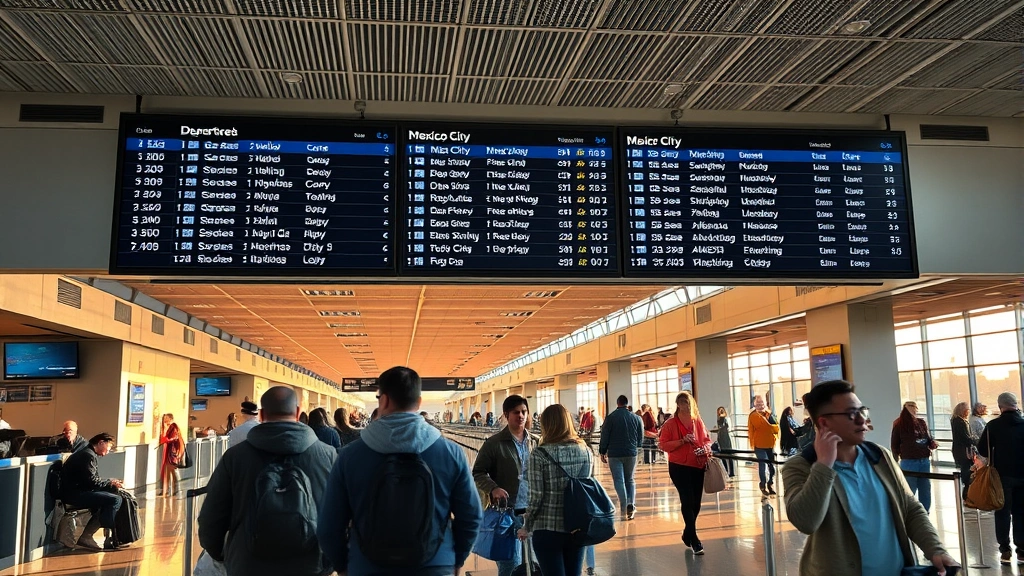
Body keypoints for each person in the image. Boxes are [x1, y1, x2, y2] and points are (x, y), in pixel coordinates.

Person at [782, 380, 958, 576]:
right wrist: (823, 465)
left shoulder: (879, 456)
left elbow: (910, 509)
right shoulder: (800, 466)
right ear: (824, 422)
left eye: (862, 411)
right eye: (851, 414)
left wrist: (935, 549)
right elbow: (805, 521)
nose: (862, 420)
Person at [318, 366, 481, 576]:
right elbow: (471, 516)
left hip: (367, 566)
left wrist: (342, 566)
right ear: (419, 402)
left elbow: (328, 526)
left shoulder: (349, 456)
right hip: (435, 565)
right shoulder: (450, 453)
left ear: (383, 400)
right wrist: (455, 560)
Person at [198, 386, 337, 576]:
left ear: (262, 415)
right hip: (311, 564)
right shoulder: (327, 455)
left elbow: (211, 517)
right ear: (297, 413)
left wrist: (223, 554)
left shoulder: (235, 457)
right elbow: (340, 515)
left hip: (248, 564)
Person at [518, 404, 593, 576]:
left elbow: (536, 497)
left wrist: (526, 527)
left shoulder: (539, 454)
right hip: (577, 526)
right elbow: (587, 489)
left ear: (546, 425)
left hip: (547, 528)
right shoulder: (585, 451)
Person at [473, 394, 536, 576]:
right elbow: (478, 472)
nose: (521, 416)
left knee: (534, 562)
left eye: (524, 412)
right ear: (506, 415)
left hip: (532, 509)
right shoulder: (494, 444)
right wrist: (493, 488)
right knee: (509, 564)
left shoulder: (536, 442)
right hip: (508, 511)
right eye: (516, 412)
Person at [659, 391, 712, 555]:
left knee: (696, 503)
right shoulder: (670, 424)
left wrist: (706, 448)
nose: (685, 405)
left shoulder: (697, 422)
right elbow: (663, 444)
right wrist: (681, 441)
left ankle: (687, 532)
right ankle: (694, 538)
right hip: (679, 466)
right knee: (687, 499)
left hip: (697, 465)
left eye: (688, 402)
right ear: (678, 404)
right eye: (682, 402)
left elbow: (707, 440)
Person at [976, 392, 1024, 564]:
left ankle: (1005, 550)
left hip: (1001, 477)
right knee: (1021, 512)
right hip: (1023, 475)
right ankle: (1022, 550)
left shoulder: (993, 426)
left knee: (1002, 512)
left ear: (1000, 406)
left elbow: (982, 450)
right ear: (1016, 405)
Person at [60, 433, 125, 550]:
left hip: (76, 491)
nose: (107, 452)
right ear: (101, 443)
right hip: (75, 494)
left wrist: (109, 483)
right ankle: (95, 535)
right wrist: (109, 483)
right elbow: (92, 482)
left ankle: (104, 535)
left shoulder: (87, 453)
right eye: (108, 448)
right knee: (115, 499)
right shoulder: (87, 455)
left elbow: (91, 480)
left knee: (110, 498)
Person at [598, 394, 643, 521]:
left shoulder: (611, 418)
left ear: (618, 403)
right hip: (631, 453)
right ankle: (631, 503)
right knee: (630, 479)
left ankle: (624, 505)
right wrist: (636, 446)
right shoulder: (636, 418)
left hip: (614, 454)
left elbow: (605, 436)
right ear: (627, 403)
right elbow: (641, 436)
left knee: (619, 480)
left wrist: (602, 451)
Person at [890, 401, 937, 513]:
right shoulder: (899, 423)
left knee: (925, 488)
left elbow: (928, 437)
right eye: (910, 406)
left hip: (924, 459)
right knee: (909, 489)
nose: (913, 408)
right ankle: (909, 512)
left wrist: (932, 443)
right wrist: (895, 459)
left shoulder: (921, 422)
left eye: (914, 406)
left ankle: (925, 512)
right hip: (909, 461)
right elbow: (894, 443)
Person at [748, 395, 780, 496]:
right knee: (763, 464)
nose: (760, 405)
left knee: (772, 466)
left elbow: (776, 428)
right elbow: (766, 427)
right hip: (759, 445)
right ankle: (763, 484)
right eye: (758, 403)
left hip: (770, 444)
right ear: (754, 404)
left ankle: (770, 483)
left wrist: (772, 425)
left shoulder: (769, 414)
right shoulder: (753, 416)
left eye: (762, 403)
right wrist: (772, 427)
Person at [950, 401, 976, 501]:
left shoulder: (957, 420)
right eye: (967, 409)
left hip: (961, 450)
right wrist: (974, 440)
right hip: (963, 451)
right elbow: (965, 437)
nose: (968, 411)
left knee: (967, 469)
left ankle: (967, 493)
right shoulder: (959, 422)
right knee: (966, 470)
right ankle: (966, 494)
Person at [158, 422, 185, 497]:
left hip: (172, 457)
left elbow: (169, 440)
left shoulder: (174, 435)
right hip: (173, 457)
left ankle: (173, 490)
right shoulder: (177, 435)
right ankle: (171, 490)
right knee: (171, 473)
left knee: (172, 473)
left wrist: (166, 439)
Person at [712, 406, 735, 478]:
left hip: (725, 438)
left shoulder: (724, 419)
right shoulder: (722, 419)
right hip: (723, 438)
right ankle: (728, 471)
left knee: (726, 455)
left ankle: (729, 471)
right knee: (725, 455)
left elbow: (725, 427)